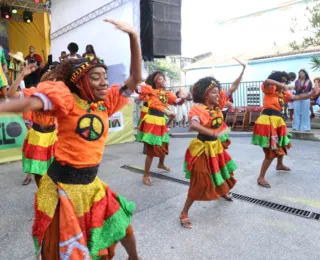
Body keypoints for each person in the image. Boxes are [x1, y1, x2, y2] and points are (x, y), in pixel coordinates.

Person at [0, 18, 142, 259]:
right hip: (61, 186)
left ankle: (134, 258)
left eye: (104, 77)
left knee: (121, 225)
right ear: (80, 81)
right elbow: (29, 102)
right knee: (56, 248)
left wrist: (133, 38)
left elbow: (135, 79)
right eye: (96, 77)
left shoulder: (105, 103)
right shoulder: (66, 100)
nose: (104, 82)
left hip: (91, 185)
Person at [179, 58, 246, 229]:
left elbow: (233, 88)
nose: (219, 94)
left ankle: (223, 191)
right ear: (205, 94)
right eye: (215, 92)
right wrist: (214, 133)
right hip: (202, 148)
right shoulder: (198, 109)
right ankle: (184, 212)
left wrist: (243, 69)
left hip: (215, 147)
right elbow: (193, 125)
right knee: (200, 180)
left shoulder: (217, 106)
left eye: (218, 91)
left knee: (222, 172)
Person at [252, 71, 319, 188]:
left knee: (282, 144)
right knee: (271, 150)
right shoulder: (269, 88)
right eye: (282, 82)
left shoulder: (283, 94)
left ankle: (279, 164)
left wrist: (310, 94)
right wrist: (281, 85)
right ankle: (261, 177)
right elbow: (267, 81)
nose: (284, 84)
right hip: (267, 121)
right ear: (277, 81)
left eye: (285, 82)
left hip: (277, 121)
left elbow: (297, 97)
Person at [8, 64, 58, 186]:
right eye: (51, 80)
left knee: (55, 172)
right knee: (38, 172)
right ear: (43, 82)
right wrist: (22, 75)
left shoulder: (60, 95)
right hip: (37, 137)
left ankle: (54, 198)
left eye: (56, 81)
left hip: (53, 137)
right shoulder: (33, 92)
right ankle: (42, 195)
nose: (54, 84)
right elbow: (10, 95)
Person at [136, 71, 185, 186]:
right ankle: (146, 175)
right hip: (152, 120)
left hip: (161, 121)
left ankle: (161, 164)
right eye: (160, 79)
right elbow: (137, 89)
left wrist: (184, 98)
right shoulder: (150, 90)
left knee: (164, 144)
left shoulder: (168, 94)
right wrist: (137, 80)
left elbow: (178, 102)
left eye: (164, 79)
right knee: (151, 150)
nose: (163, 80)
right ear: (155, 81)